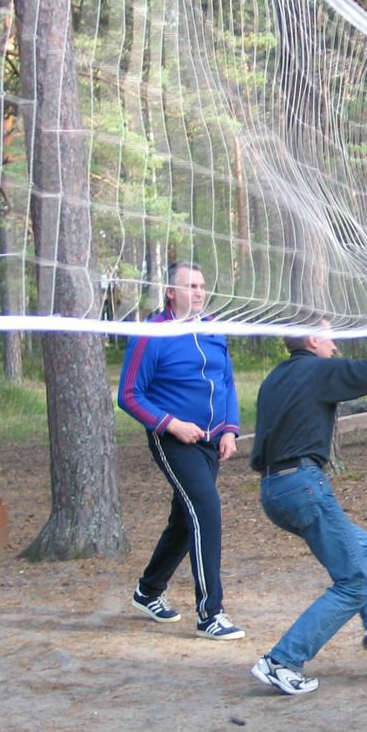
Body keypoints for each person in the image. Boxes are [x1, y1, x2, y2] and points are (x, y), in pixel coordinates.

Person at [247, 311, 367, 695]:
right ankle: (282, 660)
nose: (334, 345)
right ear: (312, 340)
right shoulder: (317, 370)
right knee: (353, 583)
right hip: (303, 486)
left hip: (273, 490)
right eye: (330, 337)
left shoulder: (275, 377)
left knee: (364, 547)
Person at [118, 261, 245, 640]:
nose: (199, 292)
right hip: (174, 440)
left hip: (212, 441)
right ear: (171, 293)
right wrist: (171, 424)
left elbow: (227, 382)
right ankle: (210, 614)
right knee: (206, 511)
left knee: (183, 519)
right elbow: (129, 395)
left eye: (202, 286)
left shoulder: (213, 328)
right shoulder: (152, 335)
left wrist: (230, 429)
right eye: (190, 286)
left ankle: (148, 591)